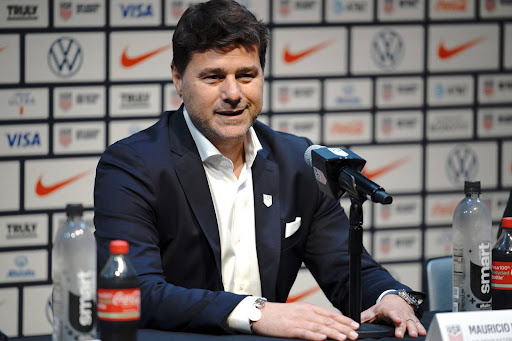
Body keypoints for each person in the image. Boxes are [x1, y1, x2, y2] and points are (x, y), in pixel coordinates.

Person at [94, 1, 427, 340]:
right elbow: (137, 292)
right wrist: (255, 312)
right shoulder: (131, 166)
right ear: (178, 79)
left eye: (246, 75)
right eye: (213, 77)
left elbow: (344, 266)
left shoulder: (297, 160)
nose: (233, 94)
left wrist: (389, 298)